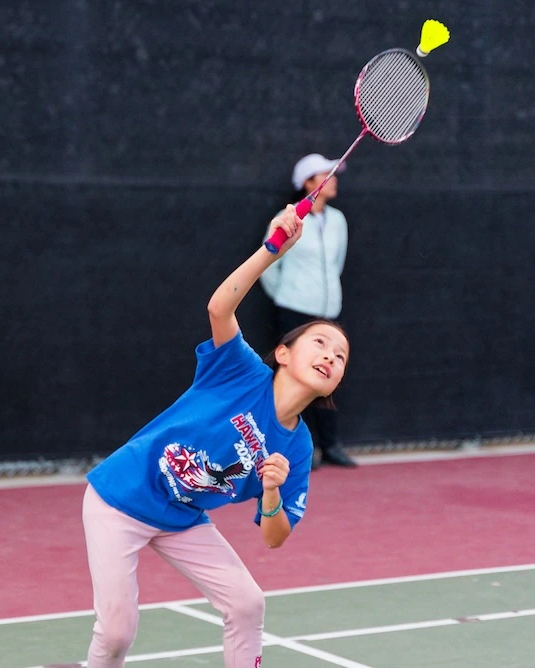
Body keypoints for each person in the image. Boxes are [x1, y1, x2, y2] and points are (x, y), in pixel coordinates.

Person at [81, 204, 350, 668]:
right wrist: (272, 250)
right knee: (118, 633)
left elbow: (274, 537)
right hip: (119, 499)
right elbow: (218, 307)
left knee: (247, 603)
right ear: (283, 354)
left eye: (341, 356)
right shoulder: (240, 371)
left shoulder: (298, 446)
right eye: (320, 343)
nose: (330, 356)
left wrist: (270, 491)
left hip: (181, 518)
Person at [259, 153, 357, 469]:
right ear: (309, 183)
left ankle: (330, 446)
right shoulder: (287, 218)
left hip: (329, 314)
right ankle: (290, 447)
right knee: (291, 378)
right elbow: (267, 265)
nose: (335, 179)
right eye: (327, 174)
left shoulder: (339, 220)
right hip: (293, 311)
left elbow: (337, 263)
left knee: (327, 376)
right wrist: (287, 296)